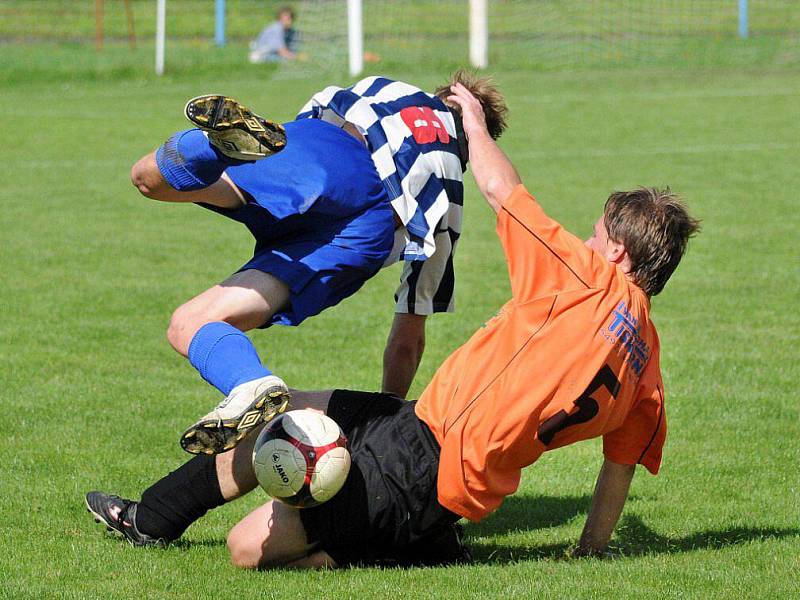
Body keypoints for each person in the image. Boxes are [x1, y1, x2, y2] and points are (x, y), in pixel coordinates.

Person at [87, 83, 699, 567]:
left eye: (596, 233)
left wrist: (476, 127)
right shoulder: (649, 363)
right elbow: (619, 468)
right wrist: (591, 550)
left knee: (245, 549)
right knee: (286, 410)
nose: (586, 239)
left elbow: (500, 187)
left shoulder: (583, 276)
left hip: (429, 475)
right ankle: (153, 519)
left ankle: (403, 543)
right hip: (420, 427)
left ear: (616, 252)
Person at [128, 73, 508, 456]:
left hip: (329, 157)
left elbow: (317, 114)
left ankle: (216, 149)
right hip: (363, 235)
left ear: (442, 97)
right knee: (189, 323)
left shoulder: (388, 90)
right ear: (474, 142)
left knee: (148, 179)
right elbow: (408, 340)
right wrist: (385, 415)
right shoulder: (448, 193)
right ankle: (250, 385)